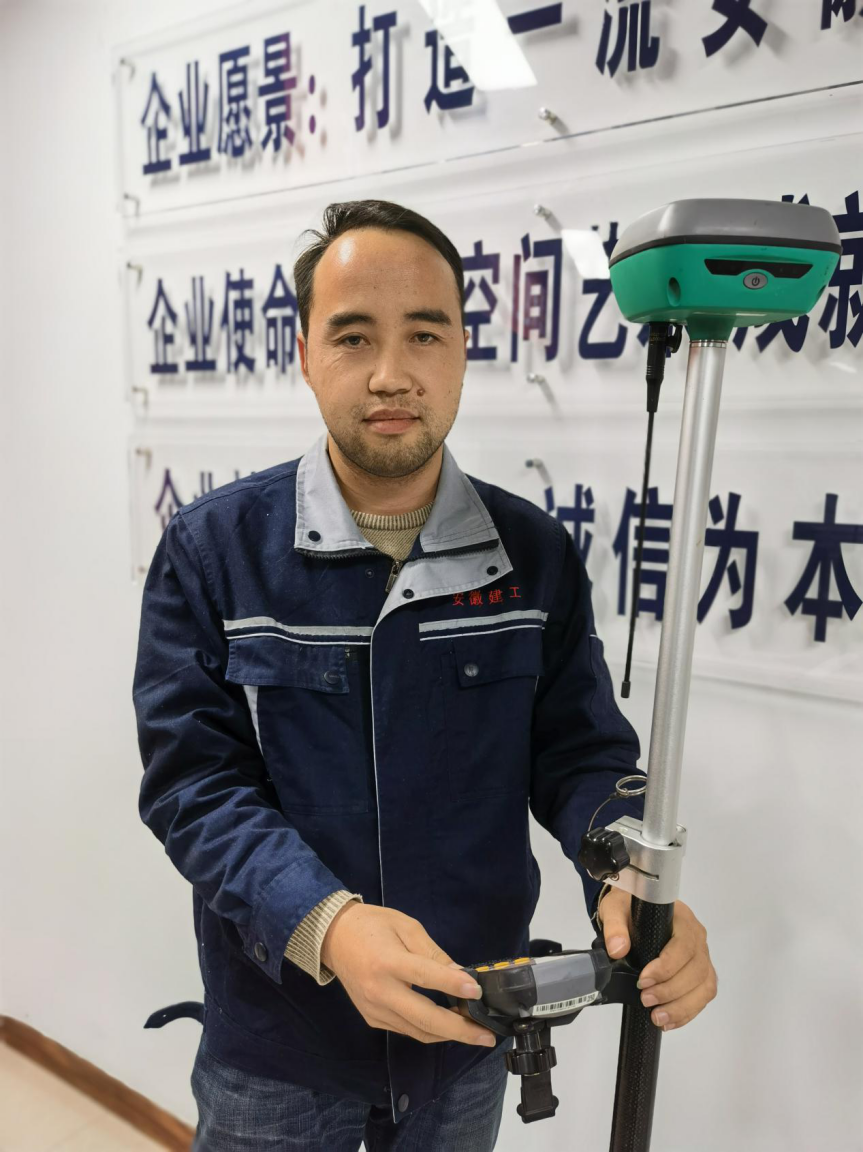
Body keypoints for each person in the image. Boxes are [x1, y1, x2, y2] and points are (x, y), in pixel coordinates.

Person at [133, 199, 717, 1151]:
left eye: (424, 334)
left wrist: (627, 879)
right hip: (281, 1043)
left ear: (462, 351)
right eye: (353, 336)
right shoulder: (214, 553)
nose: (391, 374)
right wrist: (327, 924)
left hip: (468, 1028)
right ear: (305, 352)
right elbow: (193, 787)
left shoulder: (530, 554)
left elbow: (579, 755)